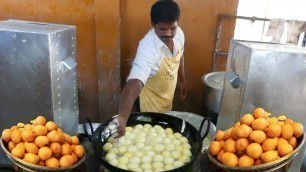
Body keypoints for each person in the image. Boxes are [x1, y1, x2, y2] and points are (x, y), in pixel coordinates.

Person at [113, 0, 186, 138]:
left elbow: (181, 55)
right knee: (150, 135)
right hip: (149, 102)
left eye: (172, 28)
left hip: (167, 96)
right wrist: (122, 118)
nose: (168, 34)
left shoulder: (180, 34)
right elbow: (135, 82)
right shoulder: (148, 47)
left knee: (165, 129)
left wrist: (182, 82)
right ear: (153, 24)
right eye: (162, 29)